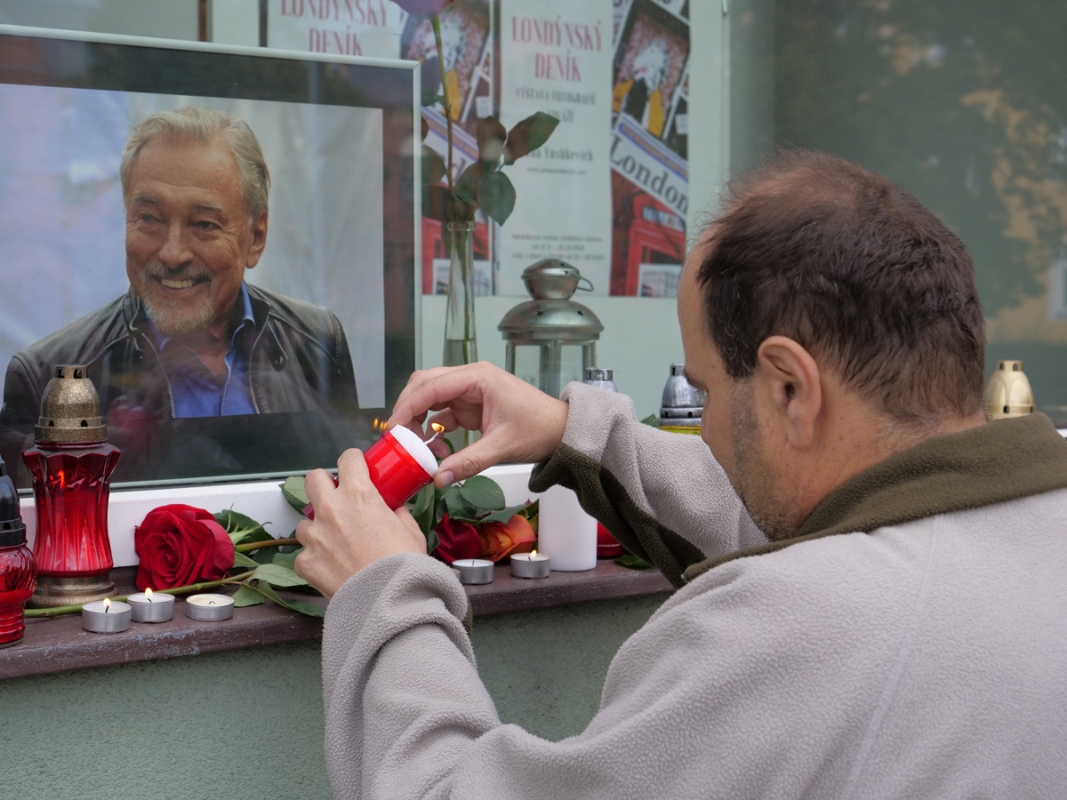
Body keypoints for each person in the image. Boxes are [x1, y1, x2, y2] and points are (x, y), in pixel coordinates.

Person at [293, 151, 1067, 798]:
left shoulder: (792, 632)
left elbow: (818, 601)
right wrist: (575, 433)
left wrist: (384, 588)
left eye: (701, 393)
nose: (700, 424)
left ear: (789, 388)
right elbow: (834, 543)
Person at [0, 108, 358, 480]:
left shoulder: (315, 340)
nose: (173, 253)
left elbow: (348, 489)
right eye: (150, 219)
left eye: (203, 224)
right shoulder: (45, 379)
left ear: (256, 237)